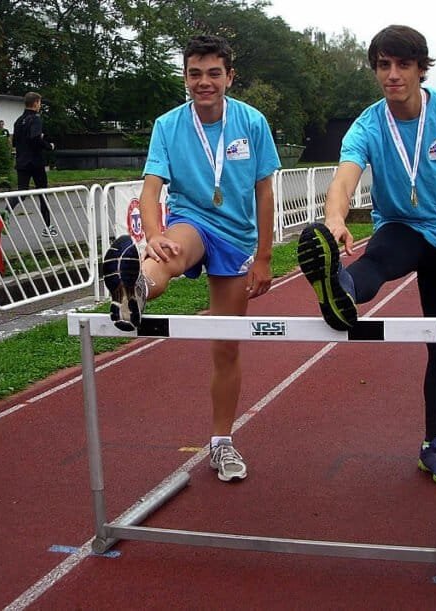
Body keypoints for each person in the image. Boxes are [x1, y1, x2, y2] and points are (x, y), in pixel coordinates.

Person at [297, 25, 436, 485]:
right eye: (383, 65)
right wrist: (334, 219)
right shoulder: (368, 124)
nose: (392, 74)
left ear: (420, 69)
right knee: (375, 262)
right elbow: (345, 178)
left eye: (402, 65)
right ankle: (339, 288)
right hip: (401, 228)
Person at [101, 35, 280, 483]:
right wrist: (154, 232)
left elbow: (263, 191)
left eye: (213, 74)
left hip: (238, 238)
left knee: (226, 345)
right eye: (195, 74)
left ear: (229, 77)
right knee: (170, 254)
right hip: (192, 220)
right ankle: (134, 287)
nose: (204, 83)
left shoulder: (252, 121)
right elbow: (150, 187)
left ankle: (222, 443)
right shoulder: (168, 124)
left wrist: (264, 256)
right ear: (185, 78)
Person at [5, 92, 57, 238]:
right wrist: (48, 145)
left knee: (22, 192)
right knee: (42, 193)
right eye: (39, 103)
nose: (40, 106)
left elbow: (15, 142)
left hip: (21, 161)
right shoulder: (35, 119)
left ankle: (6, 211)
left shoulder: (18, 121)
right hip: (35, 162)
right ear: (35, 103)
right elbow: (35, 138)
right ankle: (48, 227)